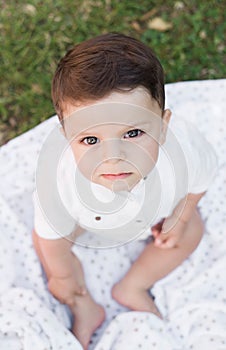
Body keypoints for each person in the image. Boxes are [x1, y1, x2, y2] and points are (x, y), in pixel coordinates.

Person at [32, 33, 218, 349]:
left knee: (191, 230)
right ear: (66, 136)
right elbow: (50, 240)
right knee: (51, 249)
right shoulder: (60, 184)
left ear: (162, 125)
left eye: (133, 133)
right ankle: (84, 306)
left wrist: (180, 217)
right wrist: (63, 278)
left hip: (153, 215)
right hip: (88, 219)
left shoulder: (184, 150)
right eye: (90, 140)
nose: (113, 156)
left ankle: (133, 285)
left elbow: (200, 183)